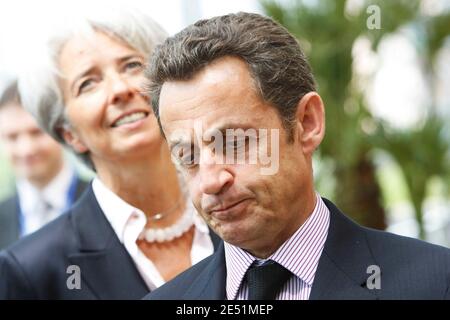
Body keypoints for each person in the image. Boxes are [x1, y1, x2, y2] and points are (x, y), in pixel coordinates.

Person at [143, 12, 450, 300]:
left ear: (307, 123)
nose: (210, 181)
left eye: (234, 142)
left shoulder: (435, 283)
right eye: (187, 155)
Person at [0, 10, 219, 300]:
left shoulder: (238, 208)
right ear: (69, 133)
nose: (120, 89)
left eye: (132, 65)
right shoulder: (33, 268)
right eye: (88, 83)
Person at [0, 80, 87, 250]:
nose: (26, 149)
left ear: (61, 131)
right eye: (12, 137)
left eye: (36, 133)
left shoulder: (102, 201)